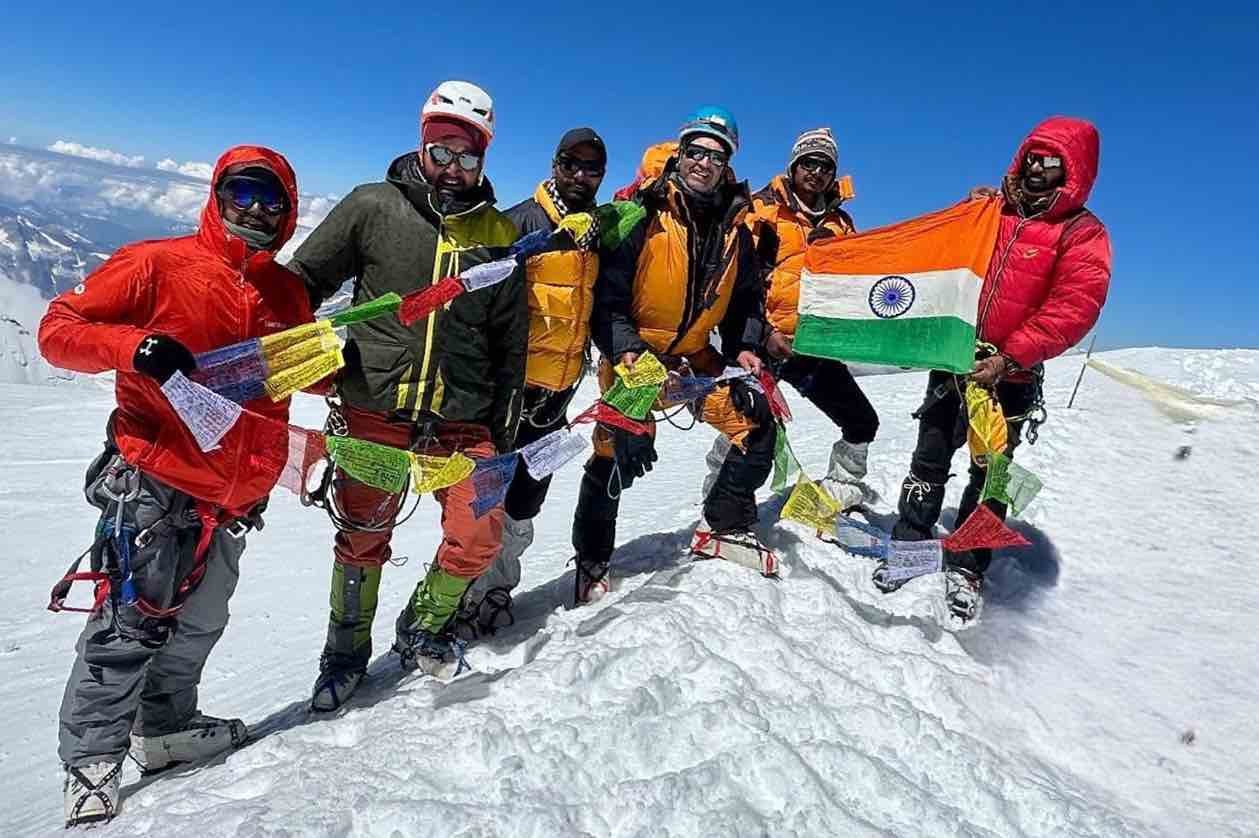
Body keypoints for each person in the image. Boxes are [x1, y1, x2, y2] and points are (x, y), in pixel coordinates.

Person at [39, 146, 310, 827]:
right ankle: (93, 761)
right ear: (217, 196)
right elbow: (57, 331)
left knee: (199, 624)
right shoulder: (156, 263)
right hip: (156, 486)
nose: (253, 210)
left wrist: (347, 361)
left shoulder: (286, 292)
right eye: (240, 193)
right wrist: (135, 349)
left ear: (288, 213)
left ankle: (164, 730)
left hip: (235, 498)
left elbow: (295, 370)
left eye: (269, 200)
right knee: (128, 624)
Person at [288, 81, 527, 711]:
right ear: (422, 143)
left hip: (465, 419)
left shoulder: (499, 233)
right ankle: (344, 654)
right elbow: (301, 282)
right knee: (363, 533)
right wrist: (293, 352)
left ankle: (424, 622)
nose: (452, 167)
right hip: (374, 407)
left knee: (479, 534)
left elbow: (511, 338)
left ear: (484, 157)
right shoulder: (375, 205)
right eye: (440, 150)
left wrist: (502, 430)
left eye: (466, 155)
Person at [880, 116, 1111, 621]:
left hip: (1013, 375)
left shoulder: (1081, 233)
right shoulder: (989, 212)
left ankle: (967, 565)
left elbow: (1075, 305)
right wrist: (969, 214)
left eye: (1052, 162)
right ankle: (912, 546)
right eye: (1031, 157)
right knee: (929, 459)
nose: (1036, 169)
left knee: (990, 477)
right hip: (954, 361)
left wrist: (1009, 358)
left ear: (1074, 171)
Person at [571, 106, 776, 603]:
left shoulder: (736, 230)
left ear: (726, 166)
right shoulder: (642, 214)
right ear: (679, 154)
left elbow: (746, 297)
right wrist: (634, 361)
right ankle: (592, 559)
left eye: (715, 155)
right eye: (695, 151)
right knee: (614, 453)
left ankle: (723, 526)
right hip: (635, 357)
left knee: (758, 426)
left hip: (693, 359)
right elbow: (608, 305)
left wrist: (746, 347)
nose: (703, 162)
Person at [455, 128, 608, 637]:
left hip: (556, 401)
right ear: (555, 164)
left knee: (524, 504)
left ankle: (498, 589)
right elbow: (478, 306)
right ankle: (460, 598)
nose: (581, 175)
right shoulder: (520, 221)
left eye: (592, 168)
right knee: (481, 505)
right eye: (572, 164)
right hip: (507, 398)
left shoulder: (596, 235)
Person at [702, 128, 878, 510]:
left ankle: (840, 490)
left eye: (825, 165)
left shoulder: (841, 224)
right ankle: (717, 500)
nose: (816, 171)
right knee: (745, 427)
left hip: (812, 345)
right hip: (762, 345)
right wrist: (763, 335)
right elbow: (737, 279)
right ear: (794, 165)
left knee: (861, 420)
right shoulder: (761, 210)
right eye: (809, 162)